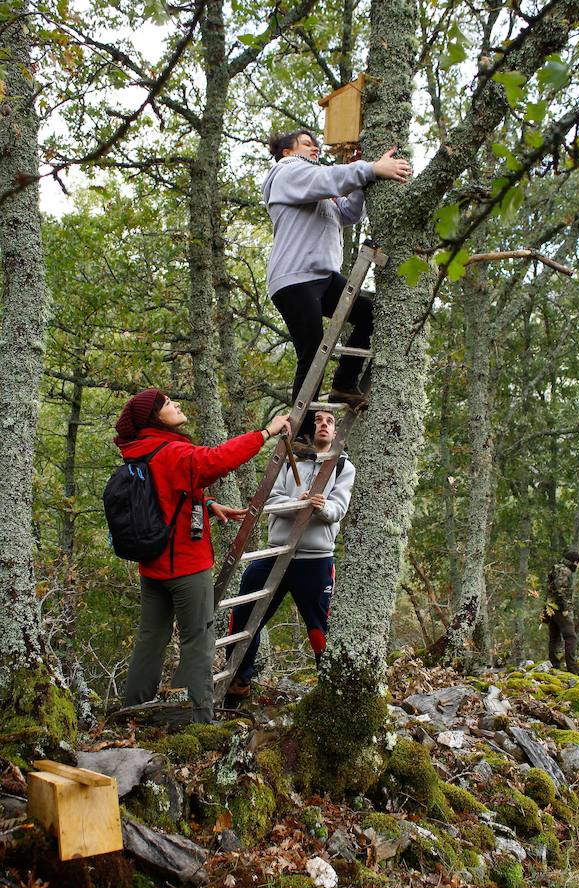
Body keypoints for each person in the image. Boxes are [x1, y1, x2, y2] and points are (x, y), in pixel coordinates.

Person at [114, 387, 290, 723]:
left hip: (152, 566)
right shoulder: (171, 451)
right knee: (199, 639)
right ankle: (197, 717)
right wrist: (265, 433)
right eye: (167, 404)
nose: (176, 403)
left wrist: (207, 504)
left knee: (151, 638)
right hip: (184, 565)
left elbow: (163, 496)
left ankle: (131, 713)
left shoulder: (140, 451)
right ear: (153, 417)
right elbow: (217, 461)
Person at [263, 129, 412, 452]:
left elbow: (348, 212)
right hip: (293, 277)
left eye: (316, 144)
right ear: (287, 152)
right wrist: (371, 168)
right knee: (313, 348)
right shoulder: (287, 173)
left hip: (323, 276)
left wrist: (362, 178)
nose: (314, 148)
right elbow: (328, 180)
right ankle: (301, 433)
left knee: (370, 314)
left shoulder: (315, 184)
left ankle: (344, 384)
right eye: (306, 144)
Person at [226, 410, 355, 698]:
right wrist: (297, 503)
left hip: (315, 559)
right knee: (244, 614)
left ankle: (330, 691)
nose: (323, 424)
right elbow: (269, 499)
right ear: (310, 428)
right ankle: (238, 683)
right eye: (318, 420)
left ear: (335, 432)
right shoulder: (288, 460)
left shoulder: (343, 467)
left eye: (330, 421)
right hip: (275, 553)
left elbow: (338, 510)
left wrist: (319, 506)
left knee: (320, 627)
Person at [542, 550, 579, 675]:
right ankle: (573, 667)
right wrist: (565, 608)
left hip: (551, 607)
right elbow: (560, 590)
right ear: (575, 562)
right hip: (559, 608)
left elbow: (550, 589)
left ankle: (555, 665)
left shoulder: (556, 568)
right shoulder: (564, 570)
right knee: (571, 637)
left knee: (554, 637)